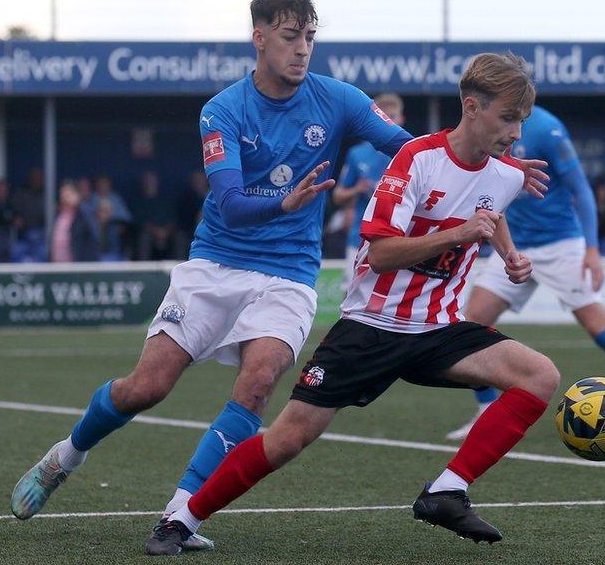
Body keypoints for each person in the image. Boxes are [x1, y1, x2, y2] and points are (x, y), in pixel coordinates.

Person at [10, 0, 547, 553]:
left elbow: (414, 150)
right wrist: (284, 204)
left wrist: (496, 167)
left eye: (310, 38)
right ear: (260, 37)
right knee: (148, 386)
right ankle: (65, 456)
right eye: (291, 37)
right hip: (216, 262)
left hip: (290, 272)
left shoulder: (339, 99)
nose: (302, 50)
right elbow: (235, 206)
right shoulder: (222, 109)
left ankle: (180, 513)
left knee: (261, 379)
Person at [147, 52, 557, 555]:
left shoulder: (507, 173)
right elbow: (382, 253)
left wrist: (510, 255)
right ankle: (181, 519)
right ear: (472, 107)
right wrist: (460, 232)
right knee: (288, 438)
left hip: (438, 329)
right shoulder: (415, 161)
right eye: (508, 118)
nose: (516, 132)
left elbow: (489, 205)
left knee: (540, 375)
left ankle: (447, 491)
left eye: (522, 120)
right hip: (371, 326)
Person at [446, 105, 605, 443]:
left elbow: (582, 190)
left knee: (598, 326)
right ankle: (486, 410)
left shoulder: (547, 127)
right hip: (514, 245)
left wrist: (592, 249)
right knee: (468, 323)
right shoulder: (487, 125)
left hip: (562, 245)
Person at [333, 93, 406, 288]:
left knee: (391, 294)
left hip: (399, 238)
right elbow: (338, 195)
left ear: (401, 119)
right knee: (350, 291)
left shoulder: (410, 151)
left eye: (393, 116)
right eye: (385, 116)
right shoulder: (357, 154)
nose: (389, 121)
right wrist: (356, 189)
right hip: (359, 236)